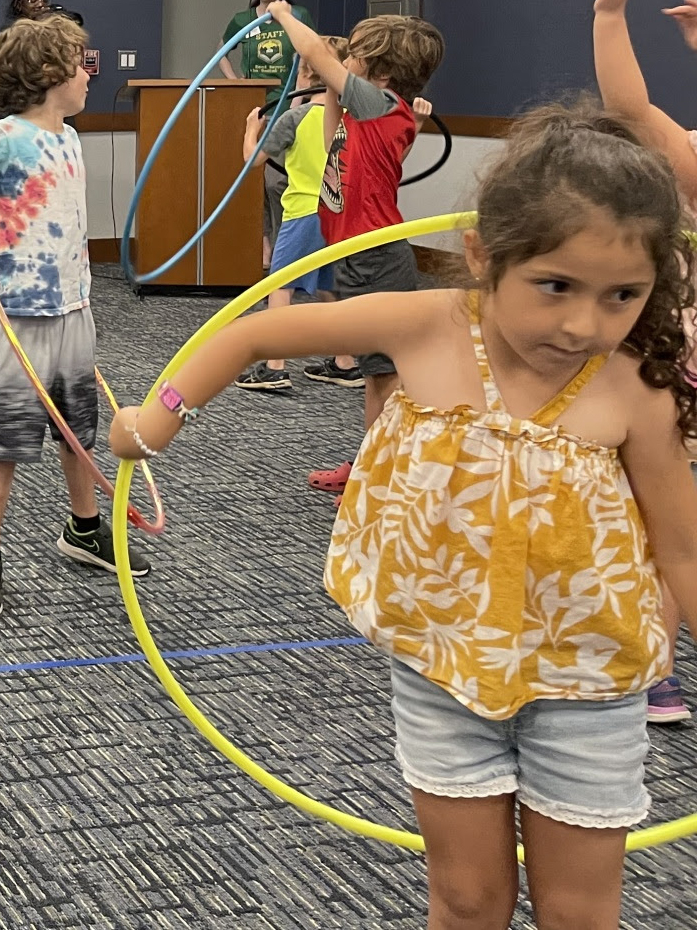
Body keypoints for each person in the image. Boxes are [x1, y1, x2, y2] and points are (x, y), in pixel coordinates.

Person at [111, 102, 697, 928]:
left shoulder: (632, 386)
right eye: (555, 285)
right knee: (465, 897)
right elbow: (246, 338)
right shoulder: (426, 326)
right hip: (442, 666)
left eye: (622, 296)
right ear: (481, 254)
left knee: (578, 909)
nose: (581, 324)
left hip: (587, 683)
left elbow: (683, 551)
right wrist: (157, 414)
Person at [0, 15, 151, 620]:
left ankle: (83, 527)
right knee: (7, 439)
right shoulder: (4, 136)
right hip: (18, 315)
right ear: (50, 74)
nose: (89, 75)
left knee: (78, 428)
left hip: (75, 308)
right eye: (82, 64)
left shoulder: (69, 136)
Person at [265, 3, 444, 495]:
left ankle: (379, 475)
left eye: (357, 57)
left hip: (375, 258)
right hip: (353, 252)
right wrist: (331, 89)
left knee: (384, 377)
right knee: (376, 374)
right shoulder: (369, 113)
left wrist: (281, 12)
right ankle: (375, 465)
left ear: (381, 73)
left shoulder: (381, 106)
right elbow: (331, 144)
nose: (347, 61)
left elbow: (314, 50)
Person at [593, 0, 695, 724]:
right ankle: (652, 665)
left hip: (675, 369)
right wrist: (612, 14)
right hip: (667, 364)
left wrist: (612, 13)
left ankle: (654, 668)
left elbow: (634, 113)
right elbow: (637, 114)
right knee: (658, 516)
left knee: (660, 518)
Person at [235, 40, 345, 390]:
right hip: (336, 213)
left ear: (306, 72)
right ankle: (346, 361)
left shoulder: (295, 118)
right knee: (329, 285)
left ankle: (274, 365)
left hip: (302, 213)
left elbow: (253, 162)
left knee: (279, 286)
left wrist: (251, 130)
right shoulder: (347, 118)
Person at [219, 0, 316, 271]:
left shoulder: (297, 16)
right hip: (253, 109)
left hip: (287, 107)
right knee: (253, 182)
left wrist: (298, 101)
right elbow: (222, 50)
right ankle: (263, 248)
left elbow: (312, 54)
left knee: (277, 182)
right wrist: (235, 85)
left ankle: (281, 245)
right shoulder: (243, 19)